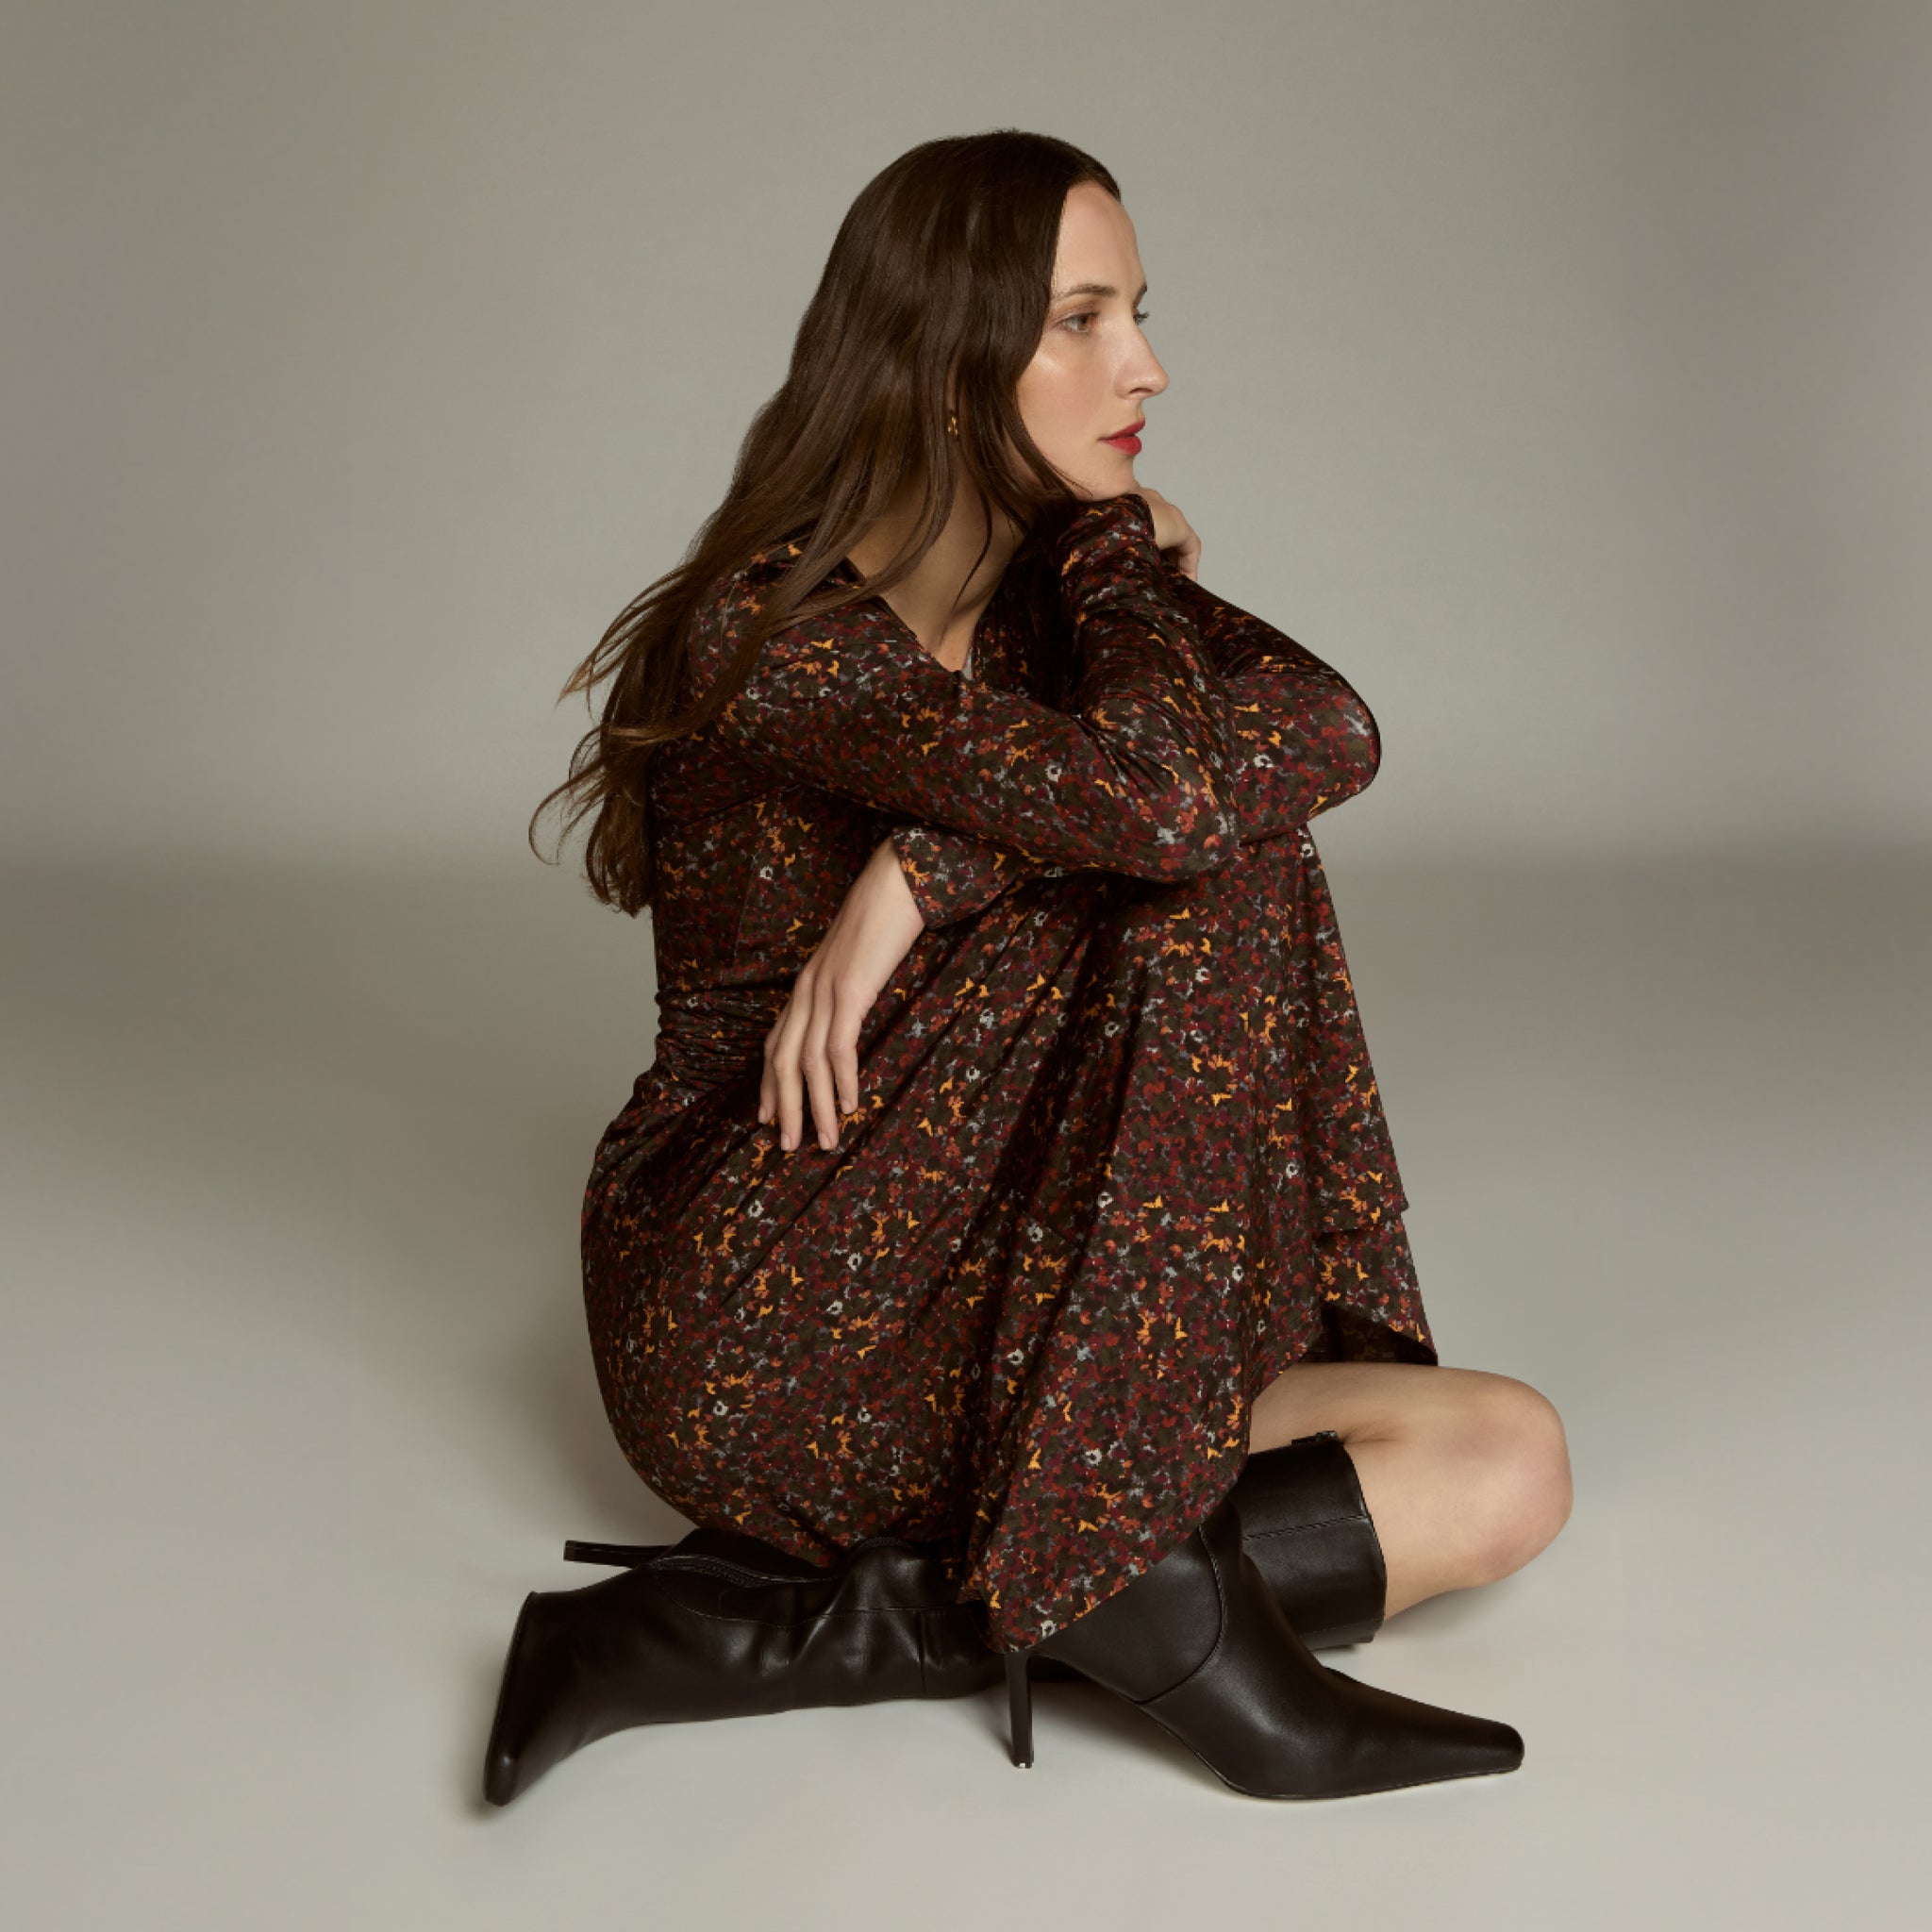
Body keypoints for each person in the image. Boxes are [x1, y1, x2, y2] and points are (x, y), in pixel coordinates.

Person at [485, 130, 1572, 1807]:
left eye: (1133, 312)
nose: (1144, 365)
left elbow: (1332, 727)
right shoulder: (773, 632)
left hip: (1019, 1268)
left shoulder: (1052, 606)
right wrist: (1120, 553)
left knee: (1507, 1471)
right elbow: (1183, 803)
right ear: (940, 361)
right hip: (769, 1304)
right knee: (1211, 858)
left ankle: (787, 1632)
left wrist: (929, 862)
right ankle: (1129, 1577)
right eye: (1078, 320)